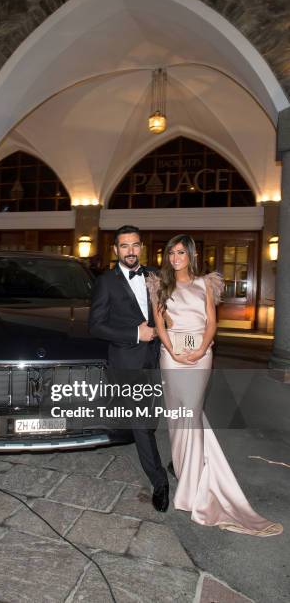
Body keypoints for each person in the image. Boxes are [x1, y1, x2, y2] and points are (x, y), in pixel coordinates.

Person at [148, 234, 282, 536]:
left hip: (200, 355)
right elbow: (159, 323)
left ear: (191, 255)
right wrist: (172, 350)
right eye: (171, 253)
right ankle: (185, 471)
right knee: (178, 417)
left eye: (181, 252)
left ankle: (194, 487)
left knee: (191, 414)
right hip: (171, 355)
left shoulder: (206, 284)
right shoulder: (160, 284)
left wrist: (200, 349)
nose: (175, 258)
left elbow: (212, 322)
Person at [89, 225, 169, 512]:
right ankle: (160, 482)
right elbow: (95, 325)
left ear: (141, 247)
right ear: (116, 250)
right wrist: (136, 334)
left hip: (157, 358)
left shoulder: (155, 276)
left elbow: (166, 313)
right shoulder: (106, 282)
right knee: (140, 424)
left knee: (150, 419)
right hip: (127, 360)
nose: (131, 251)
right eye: (124, 246)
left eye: (135, 245)